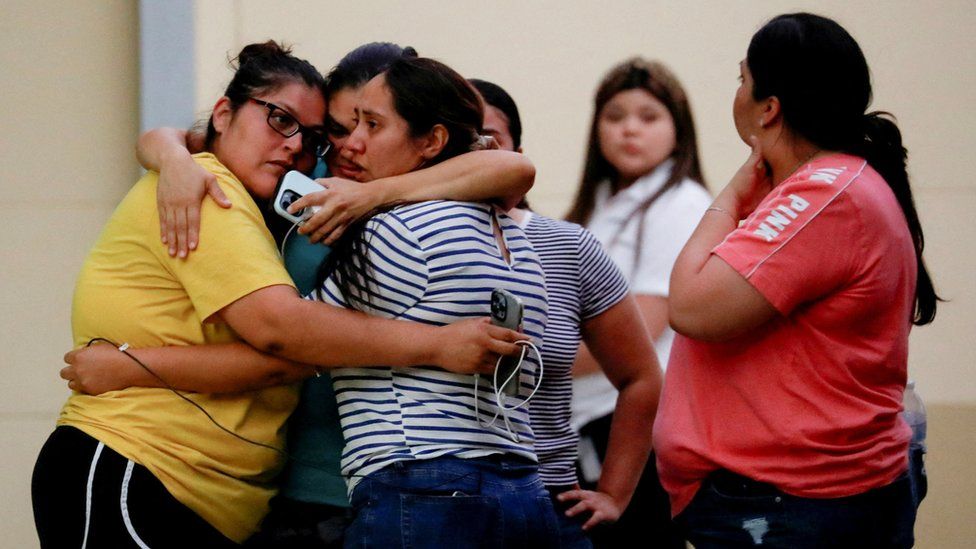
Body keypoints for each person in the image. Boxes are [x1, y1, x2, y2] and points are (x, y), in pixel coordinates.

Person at [34, 41, 525, 548]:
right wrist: (174, 157)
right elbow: (282, 334)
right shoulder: (227, 189)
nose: (345, 145)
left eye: (366, 126)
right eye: (334, 130)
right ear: (224, 114)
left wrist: (374, 195)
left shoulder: (371, 187)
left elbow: (515, 170)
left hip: (359, 481)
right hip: (166, 468)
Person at [655, 13, 940, 548]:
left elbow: (691, 307)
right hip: (797, 501)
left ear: (769, 107)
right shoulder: (836, 186)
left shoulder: (824, 194)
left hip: (794, 504)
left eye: (742, 79)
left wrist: (730, 197)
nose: (737, 92)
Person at [467, 78, 662, 548]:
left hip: (548, 502)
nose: (478, 152)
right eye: (463, 140)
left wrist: (613, 493)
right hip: (437, 503)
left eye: (492, 138)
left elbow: (641, 376)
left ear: (519, 155)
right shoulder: (400, 236)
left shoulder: (567, 246)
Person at [564, 58, 712, 547]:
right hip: (587, 418)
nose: (630, 129)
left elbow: (644, 329)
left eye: (648, 117)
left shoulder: (682, 203)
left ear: (678, 130)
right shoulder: (598, 203)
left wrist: (533, 365)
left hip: (639, 425)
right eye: (615, 116)